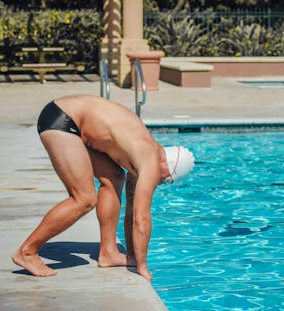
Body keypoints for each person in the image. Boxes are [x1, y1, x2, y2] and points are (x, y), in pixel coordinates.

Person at [12, 95, 194, 281]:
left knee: (115, 177)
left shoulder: (142, 158)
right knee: (84, 199)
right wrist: (142, 267)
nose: (161, 182)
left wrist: (132, 254)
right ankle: (27, 252)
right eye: (167, 180)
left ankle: (108, 252)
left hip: (72, 121)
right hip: (63, 119)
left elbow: (131, 213)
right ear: (168, 166)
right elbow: (142, 219)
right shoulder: (151, 160)